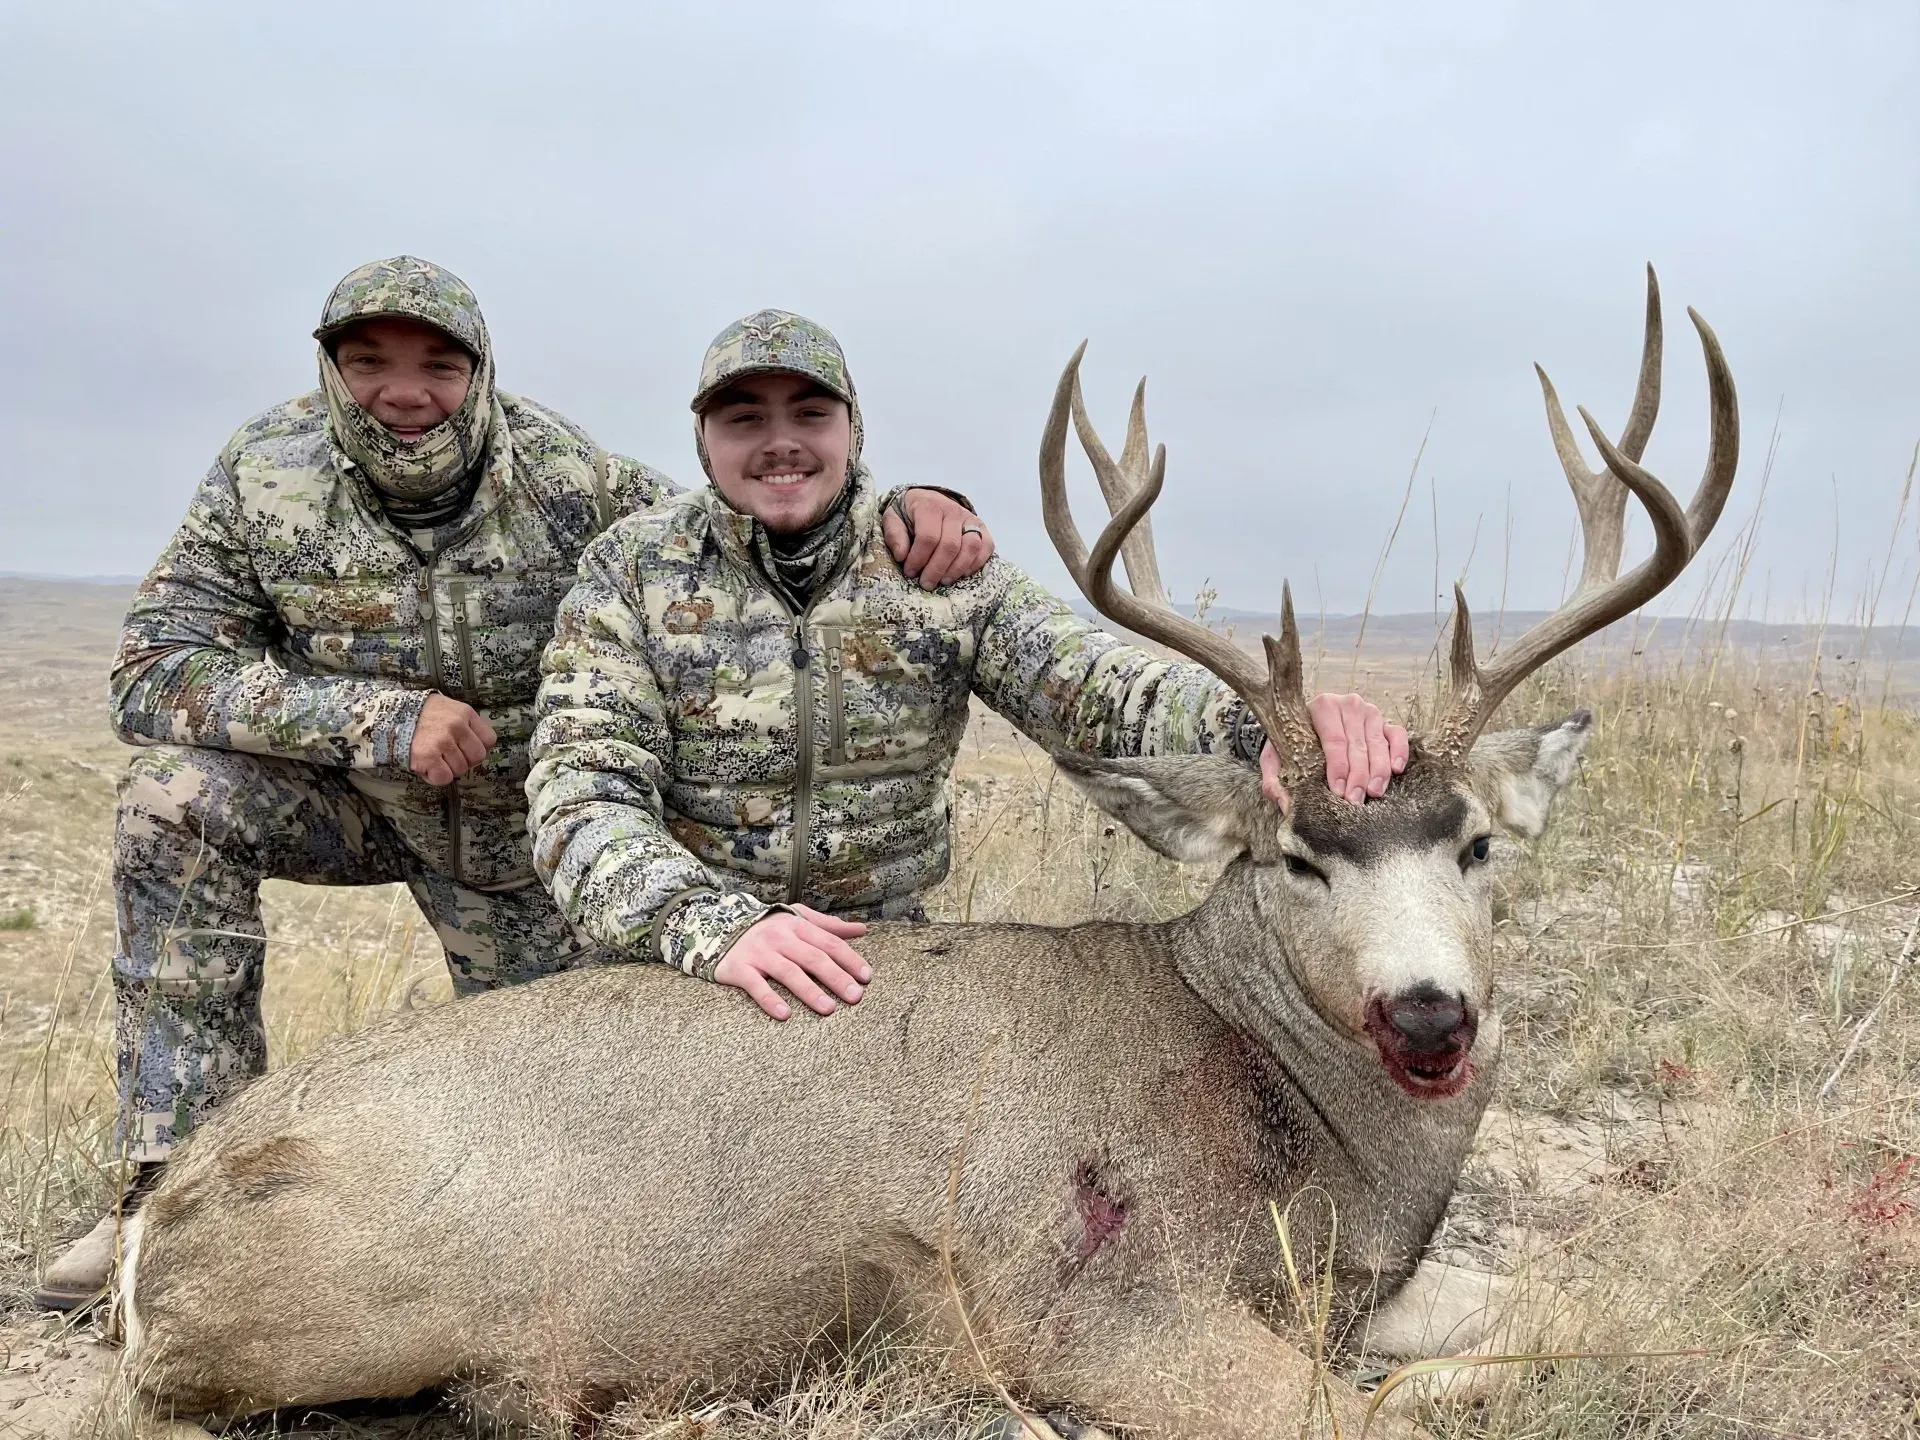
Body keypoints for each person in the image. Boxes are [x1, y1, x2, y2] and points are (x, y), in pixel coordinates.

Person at [32, 259, 995, 1311]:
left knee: (558, 1154)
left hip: (532, 848)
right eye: (369, 363)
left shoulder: (566, 474)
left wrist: (911, 504)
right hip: (359, 804)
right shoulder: (262, 474)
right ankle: (163, 1208)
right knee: (172, 800)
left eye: (438, 365)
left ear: (480, 370)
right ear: (328, 368)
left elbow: (744, 518)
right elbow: (152, 672)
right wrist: (378, 720)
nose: (405, 393)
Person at [527, 310, 1408, 1023]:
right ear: (704, 440)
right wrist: (713, 926)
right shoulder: (629, 573)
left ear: (852, 427)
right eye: (745, 418)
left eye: (809, 414)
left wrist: (1263, 729)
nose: (780, 442)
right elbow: (580, 798)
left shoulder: (940, 571)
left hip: (884, 981)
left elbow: (1099, 689)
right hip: (677, 978)